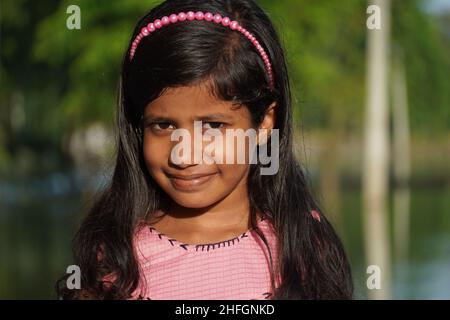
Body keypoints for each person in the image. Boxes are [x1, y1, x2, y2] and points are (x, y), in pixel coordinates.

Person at [57, 0, 353, 300]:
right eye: (163, 126)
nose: (184, 154)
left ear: (264, 121)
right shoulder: (115, 258)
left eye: (212, 126)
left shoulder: (299, 247)